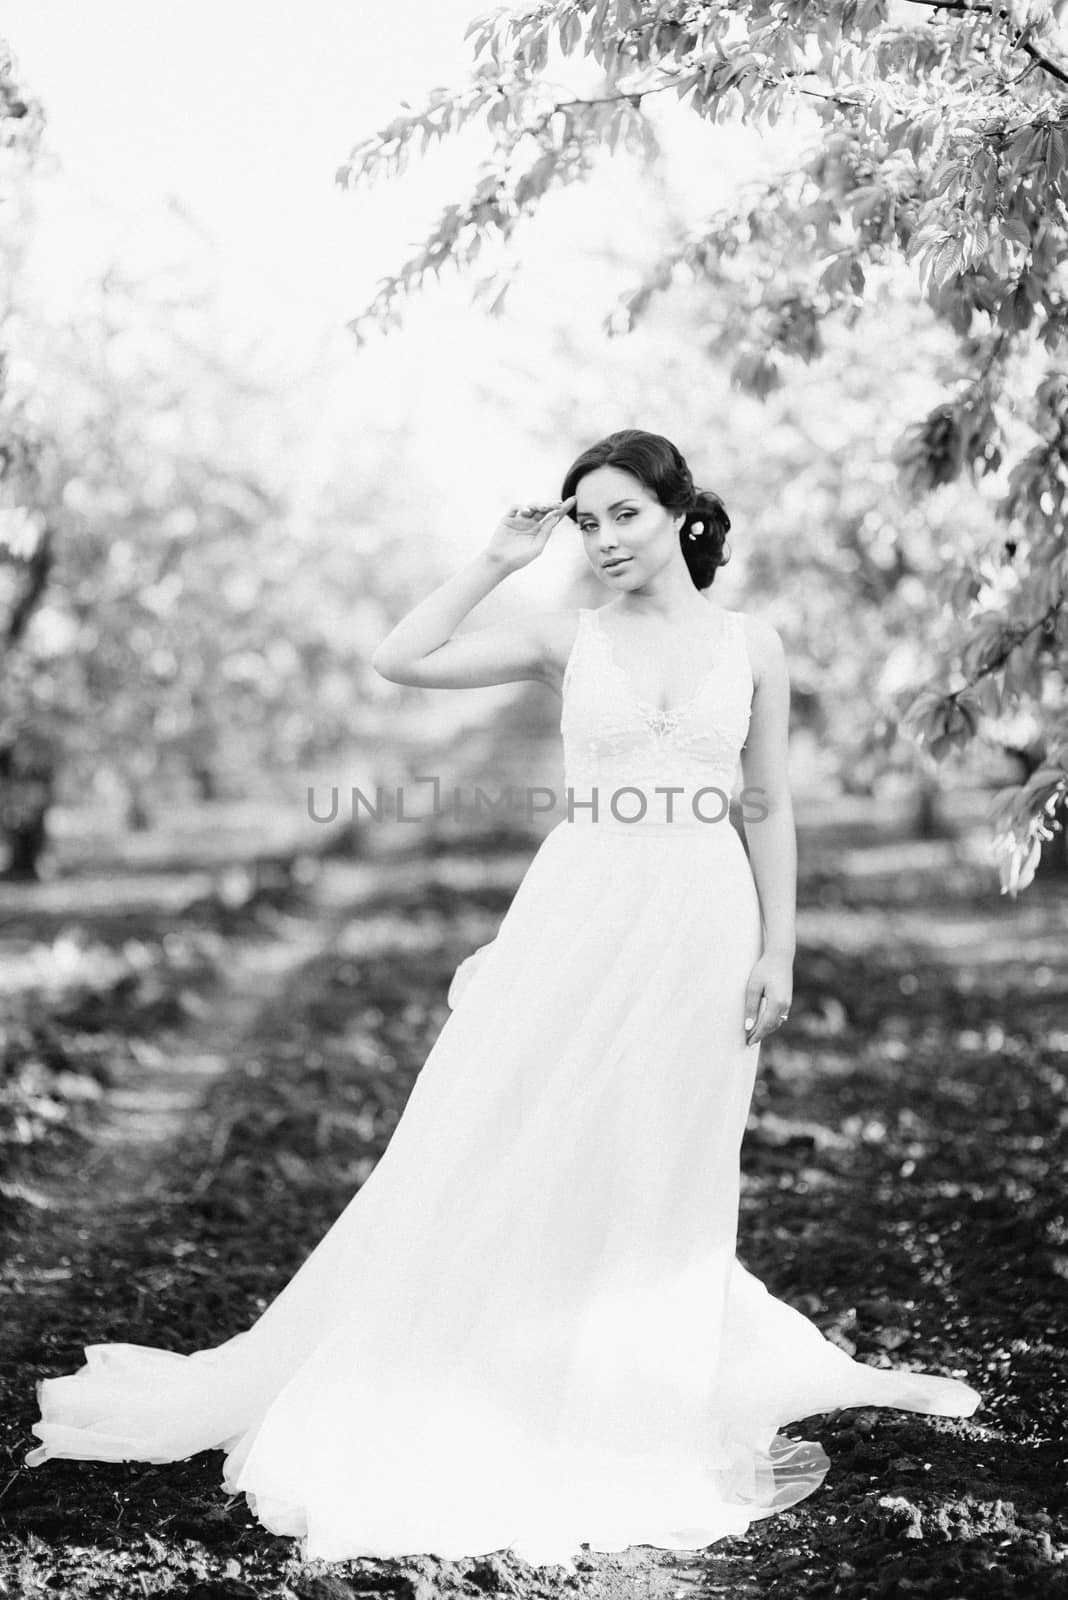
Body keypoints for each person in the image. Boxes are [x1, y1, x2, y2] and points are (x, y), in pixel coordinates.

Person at [27, 428, 981, 1573]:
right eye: (586, 520)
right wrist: (494, 558)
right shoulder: (558, 635)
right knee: (524, 1133)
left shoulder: (754, 644)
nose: (605, 538)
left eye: (624, 512)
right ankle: (498, 1369)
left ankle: (635, 1383)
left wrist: (780, 946)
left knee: (667, 1152)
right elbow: (400, 654)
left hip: (705, 922)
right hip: (579, 913)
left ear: (681, 510)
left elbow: (768, 805)